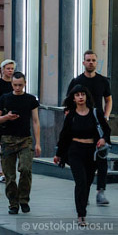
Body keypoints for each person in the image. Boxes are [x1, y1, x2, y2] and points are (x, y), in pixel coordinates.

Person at [55, 84, 111, 226]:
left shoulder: (95, 113)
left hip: (91, 152)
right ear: (73, 98)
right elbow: (64, 136)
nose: (80, 97)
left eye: (83, 94)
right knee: (80, 182)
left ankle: (82, 209)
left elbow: (106, 130)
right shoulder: (71, 115)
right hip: (75, 151)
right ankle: (81, 215)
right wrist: (58, 154)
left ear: (86, 97)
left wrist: (103, 139)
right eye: (77, 95)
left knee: (87, 183)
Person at [67, 50, 113, 206]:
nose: (91, 62)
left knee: (101, 158)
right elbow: (68, 104)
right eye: (88, 60)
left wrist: (106, 116)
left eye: (93, 60)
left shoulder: (103, 81)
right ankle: (83, 190)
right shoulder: (76, 81)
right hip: (81, 126)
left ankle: (100, 191)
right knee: (83, 161)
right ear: (83, 62)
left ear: (96, 62)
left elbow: (108, 99)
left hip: (99, 125)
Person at [0, 72, 40, 215]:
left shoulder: (31, 99)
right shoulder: (5, 98)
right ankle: (13, 203)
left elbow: (35, 121)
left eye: (20, 85)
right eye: (15, 85)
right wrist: (7, 117)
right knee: (9, 175)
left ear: (25, 83)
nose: (18, 88)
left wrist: (38, 142)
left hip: (25, 139)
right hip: (7, 140)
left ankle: (24, 200)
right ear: (11, 84)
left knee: (26, 169)